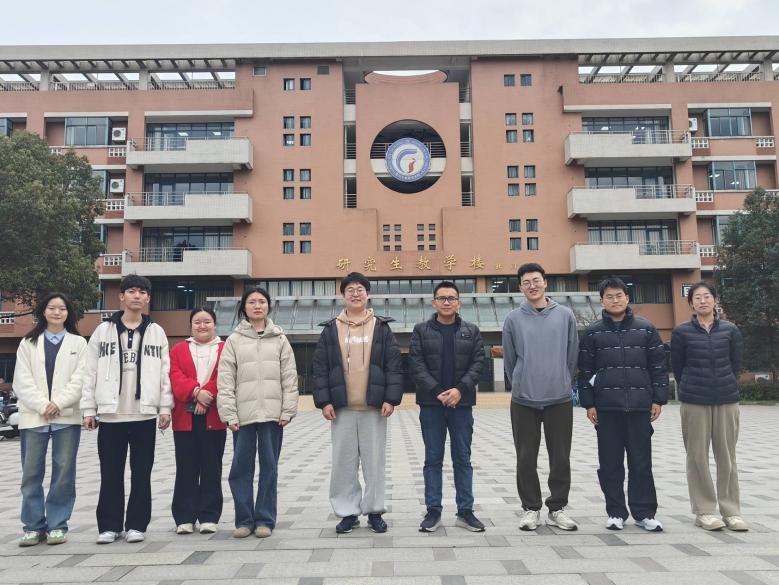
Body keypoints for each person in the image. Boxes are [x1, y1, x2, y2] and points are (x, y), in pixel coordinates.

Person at [81, 274, 172, 544]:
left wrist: (165, 407)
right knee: (110, 474)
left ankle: (136, 525)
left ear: (148, 298)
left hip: (144, 414)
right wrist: (89, 409)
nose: (137, 296)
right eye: (131, 291)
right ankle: (109, 526)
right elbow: (90, 372)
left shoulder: (156, 331)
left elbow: (164, 373)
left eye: (142, 292)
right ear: (121, 296)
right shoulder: (103, 331)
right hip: (111, 415)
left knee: (142, 473)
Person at [313, 272, 403, 534]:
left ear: (367, 294)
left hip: (374, 408)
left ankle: (374, 511)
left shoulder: (381, 327)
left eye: (360, 289)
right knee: (343, 463)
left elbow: (394, 365)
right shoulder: (331, 329)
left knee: (375, 463)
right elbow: (320, 367)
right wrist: (324, 401)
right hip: (341, 408)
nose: (355, 294)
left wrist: (391, 398)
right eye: (350, 290)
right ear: (343, 295)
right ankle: (348, 512)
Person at [577, 277, 668, 532]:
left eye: (619, 295)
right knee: (610, 464)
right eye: (609, 296)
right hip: (607, 409)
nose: (615, 300)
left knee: (641, 463)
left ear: (627, 298)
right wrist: (589, 404)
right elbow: (584, 372)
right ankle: (615, 512)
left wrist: (658, 399)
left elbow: (658, 367)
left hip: (640, 407)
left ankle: (644, 513)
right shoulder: (593, 332)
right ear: (601, 301)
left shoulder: (646, 329)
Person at [502, 263, 579, 531]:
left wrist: (563, 379)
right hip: (524, 399)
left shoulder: (565, 315)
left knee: (560, 456)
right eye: (526, 282)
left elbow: (572, 355)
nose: (532, 286)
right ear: (520, 287)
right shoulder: (513, 318)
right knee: (525, 456)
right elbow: (510, 360)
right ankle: (531, 508)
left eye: (536, 280)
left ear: (545, 282)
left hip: (559, 397)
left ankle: (557, 508)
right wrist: (520, 382)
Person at [217, 287, 298, 539]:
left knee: (269, 469)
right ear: (244, 307)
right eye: (252, 302)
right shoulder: (234, 340)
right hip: (243, 416)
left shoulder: (280, 338)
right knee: (240, 469)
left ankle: (264, 519)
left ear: (268, 306)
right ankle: (244, 520)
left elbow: (289, 377)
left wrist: (288, 409)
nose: (257, 306)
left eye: (262, 301)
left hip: (272, 416)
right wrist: (229, 414)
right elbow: (225, 380)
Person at [410, 281, 485, 532]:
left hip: (461, 405)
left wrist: (460, 390)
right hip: (431, 404)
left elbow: (478, 363)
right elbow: (416, 364)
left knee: (462, 458)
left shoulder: (471, 331)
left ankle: (465, 511)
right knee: (433, 458)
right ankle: (433, 511)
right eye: (441, 298)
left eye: (451, 298)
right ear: (434, 302)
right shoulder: (421, 330)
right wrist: (437, 392)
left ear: (458, 302)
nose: (446, 302)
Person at [671, 281, 747, 532]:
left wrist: (726, 384)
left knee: (727, 457)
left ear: (715, 300)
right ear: (691, 304)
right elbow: (678, 367)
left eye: (706, 296)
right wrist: (690, 386)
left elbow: (735, 364)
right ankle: (704, 511)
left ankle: (731, 511)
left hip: (726, 399)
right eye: (697, 297)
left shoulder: (730, 330)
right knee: (697, 457)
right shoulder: (682, 332)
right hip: (694, 401)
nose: (702, 301)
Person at [14, 292, 87, 546]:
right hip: (34, 417)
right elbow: (22, 380)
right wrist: (43, 405)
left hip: (66, 417)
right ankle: (33, 526)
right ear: (43, 311)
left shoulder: (79, 343)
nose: (57, 312)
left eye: (62, 308)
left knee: (64, 471)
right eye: (52, 308)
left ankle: (57, 524)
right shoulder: (28, 343)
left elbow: (81, 379)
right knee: (31, 473)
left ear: (69, 313)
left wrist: (59, 403)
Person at [169, 307, 227, 535]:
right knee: (186, 467)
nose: (202, 326)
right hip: (185, 417)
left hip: (214, 417)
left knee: (212, 467)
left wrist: (206, 396)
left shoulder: (225, 348)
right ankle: (184, 517)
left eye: (207, 321)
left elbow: (225, 376)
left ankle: (209, 516)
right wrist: (196, 392)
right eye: (197, 322)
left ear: (215, 324)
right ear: (191, 325)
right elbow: (175, 376)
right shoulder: (179, 349)